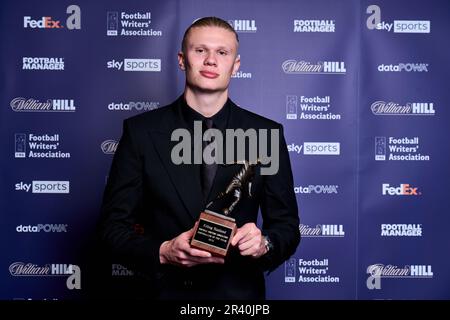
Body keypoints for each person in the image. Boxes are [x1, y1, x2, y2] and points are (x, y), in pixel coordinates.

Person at [98, 16, 300, 300]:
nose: (211, 60)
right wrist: (164, 252)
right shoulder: (141, 132)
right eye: (200, 50)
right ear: (182, 60)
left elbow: (287, 227)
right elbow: (112, 228)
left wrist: (265, 243)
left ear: (235, 65)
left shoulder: (266, 133)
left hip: (238, 298)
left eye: (222, 52)